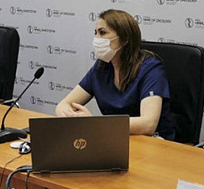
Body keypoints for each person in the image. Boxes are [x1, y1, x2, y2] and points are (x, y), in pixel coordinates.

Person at [56, 9, 176, 140]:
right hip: (114, 139)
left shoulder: (151, 69)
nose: (97, 39)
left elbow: (148, 124)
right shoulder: (101, 67)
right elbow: (64, 104)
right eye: (95, 33)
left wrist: (95, 123)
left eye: (102, 33)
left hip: (153, 143)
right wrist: (71, 116)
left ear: (124, 39)